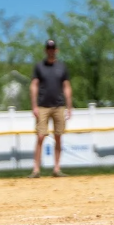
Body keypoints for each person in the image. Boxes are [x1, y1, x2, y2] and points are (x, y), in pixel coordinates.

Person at [29, 39, 72, 178]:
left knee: (58, 137)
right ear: (45, 50)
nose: (51, 51)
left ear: (56, 50)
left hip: (59, 106)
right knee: (40, 136)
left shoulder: (62, 67)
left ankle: (57, 168)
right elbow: (34, 85)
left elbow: (66, 87)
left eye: (53, 48)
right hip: (43, 106)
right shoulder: (39, 67)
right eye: (48, 48)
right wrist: (34, 105)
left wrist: (69, 106)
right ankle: (36, 169)